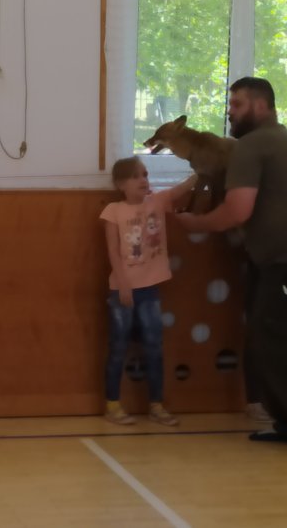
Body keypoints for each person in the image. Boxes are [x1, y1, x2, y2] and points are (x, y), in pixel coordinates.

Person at [175, 77, 287, 452]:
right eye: (230, 104)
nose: (230, 112)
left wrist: (196, 223)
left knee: (284, 345)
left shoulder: (253, 146)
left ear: (260, 106)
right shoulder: (280, 140)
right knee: (266, 339)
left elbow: (237, 210)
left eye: (237, 104)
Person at [100, 156, 195, 426]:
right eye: (135, 176)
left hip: (150, 290)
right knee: (118, 347)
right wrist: (123, 284)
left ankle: (156, 404)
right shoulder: (113, 211)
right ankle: (112, 404)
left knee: (154, 347)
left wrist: (202, 171)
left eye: (145, 174)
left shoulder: (157, 202)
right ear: (120, 184)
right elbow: (113, 251)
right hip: (123, 291)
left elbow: (182, 188)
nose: (143, 180)